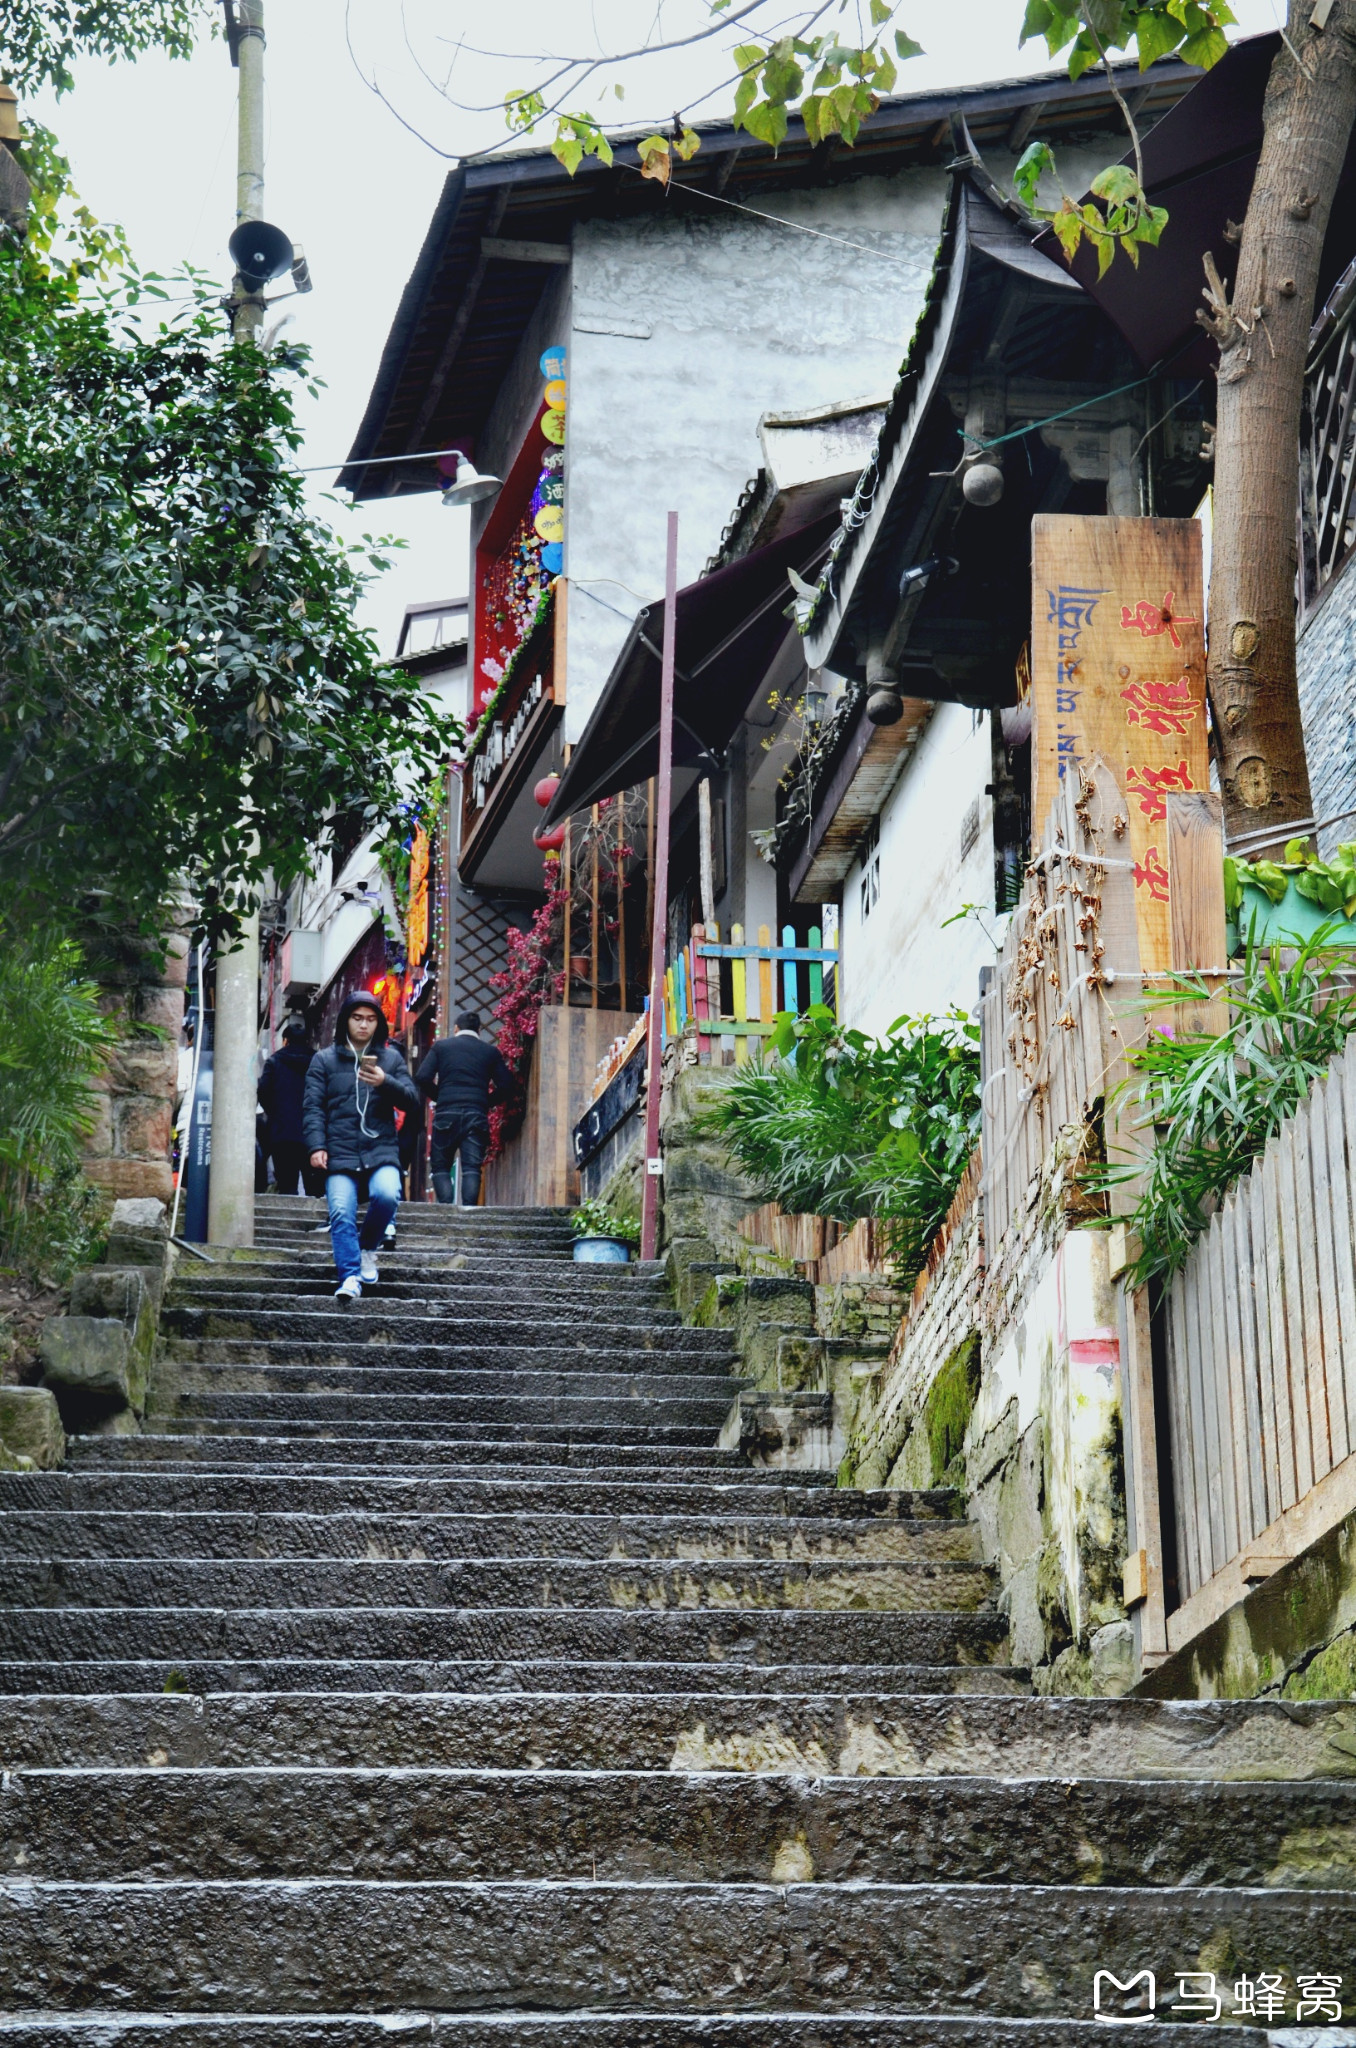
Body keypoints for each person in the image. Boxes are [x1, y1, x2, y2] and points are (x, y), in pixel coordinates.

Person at [303, 992, 420, 1300]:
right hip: (339, 1151)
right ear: (346, 1021)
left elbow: (412, 1100)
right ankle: (350, 1277)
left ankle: (367, 1248)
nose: (364, 1025)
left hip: (380, 1149)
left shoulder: (391, 1059)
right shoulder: (323, 1060)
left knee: (387, 1194)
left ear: (378, 1023)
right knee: (341, 1211)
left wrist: (385, 1082)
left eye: (370, 1019)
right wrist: (317, 1145)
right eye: (357, 1018)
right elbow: (313, 1106)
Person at [416, 1010, 514, 1207]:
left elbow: (422, 1077)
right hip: (475, 1115)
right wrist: (485, 1102)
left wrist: (441, 1097)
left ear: (455, 1029)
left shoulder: (441, 1047)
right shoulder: (490, 1052)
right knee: (471, 1168)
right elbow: (507, 1086)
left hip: (446, 1114)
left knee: (441, 1166)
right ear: (479, 1030)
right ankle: (469, 1212)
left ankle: (445, 1208)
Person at [258, 1017, 318, 1195]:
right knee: (314, 1188)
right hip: (312, 1133)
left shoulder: (274, 1062)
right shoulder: (317, 1061)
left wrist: (274, 1112)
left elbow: (262, 1091)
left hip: (282, 1133)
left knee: (287, 1185)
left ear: (285, 1041)